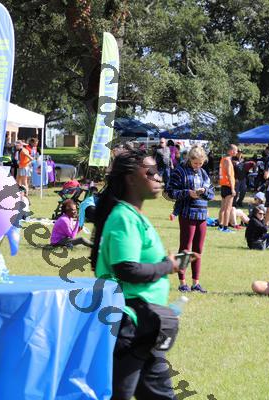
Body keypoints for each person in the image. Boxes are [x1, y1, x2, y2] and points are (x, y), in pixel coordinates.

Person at [91, 150, 186, 399]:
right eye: (151, 172)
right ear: (131, 179)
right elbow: (127, 269)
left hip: (146, 325)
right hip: (128, 323)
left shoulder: (134, 216)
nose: (159, 177)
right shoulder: (123, 217)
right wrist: (167, 267)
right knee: (117, 395)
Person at [166, 146, 215, 293]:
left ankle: (196, 283)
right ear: (189, 159)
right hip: (187, 214)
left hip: (202, 215)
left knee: (198, 249)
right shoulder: (179, 171)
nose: (198, 166)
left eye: (201, 163)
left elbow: (211, 193)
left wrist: (204, 191)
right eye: (195, 163)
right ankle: (182, 283)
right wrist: (188, 193)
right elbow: (170, 192)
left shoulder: (203, 173)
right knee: (185, 249)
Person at [218, 144, 238, 232]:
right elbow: (229, 175)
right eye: (236, 150)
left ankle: (220, 225)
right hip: (228, 186)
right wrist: (233, 189)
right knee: (228, 208)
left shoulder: (223, 159)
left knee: (223, 208)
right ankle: (225, 227)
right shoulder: (228, 161)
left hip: (223, 185)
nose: (237, 152)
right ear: (231, 151)